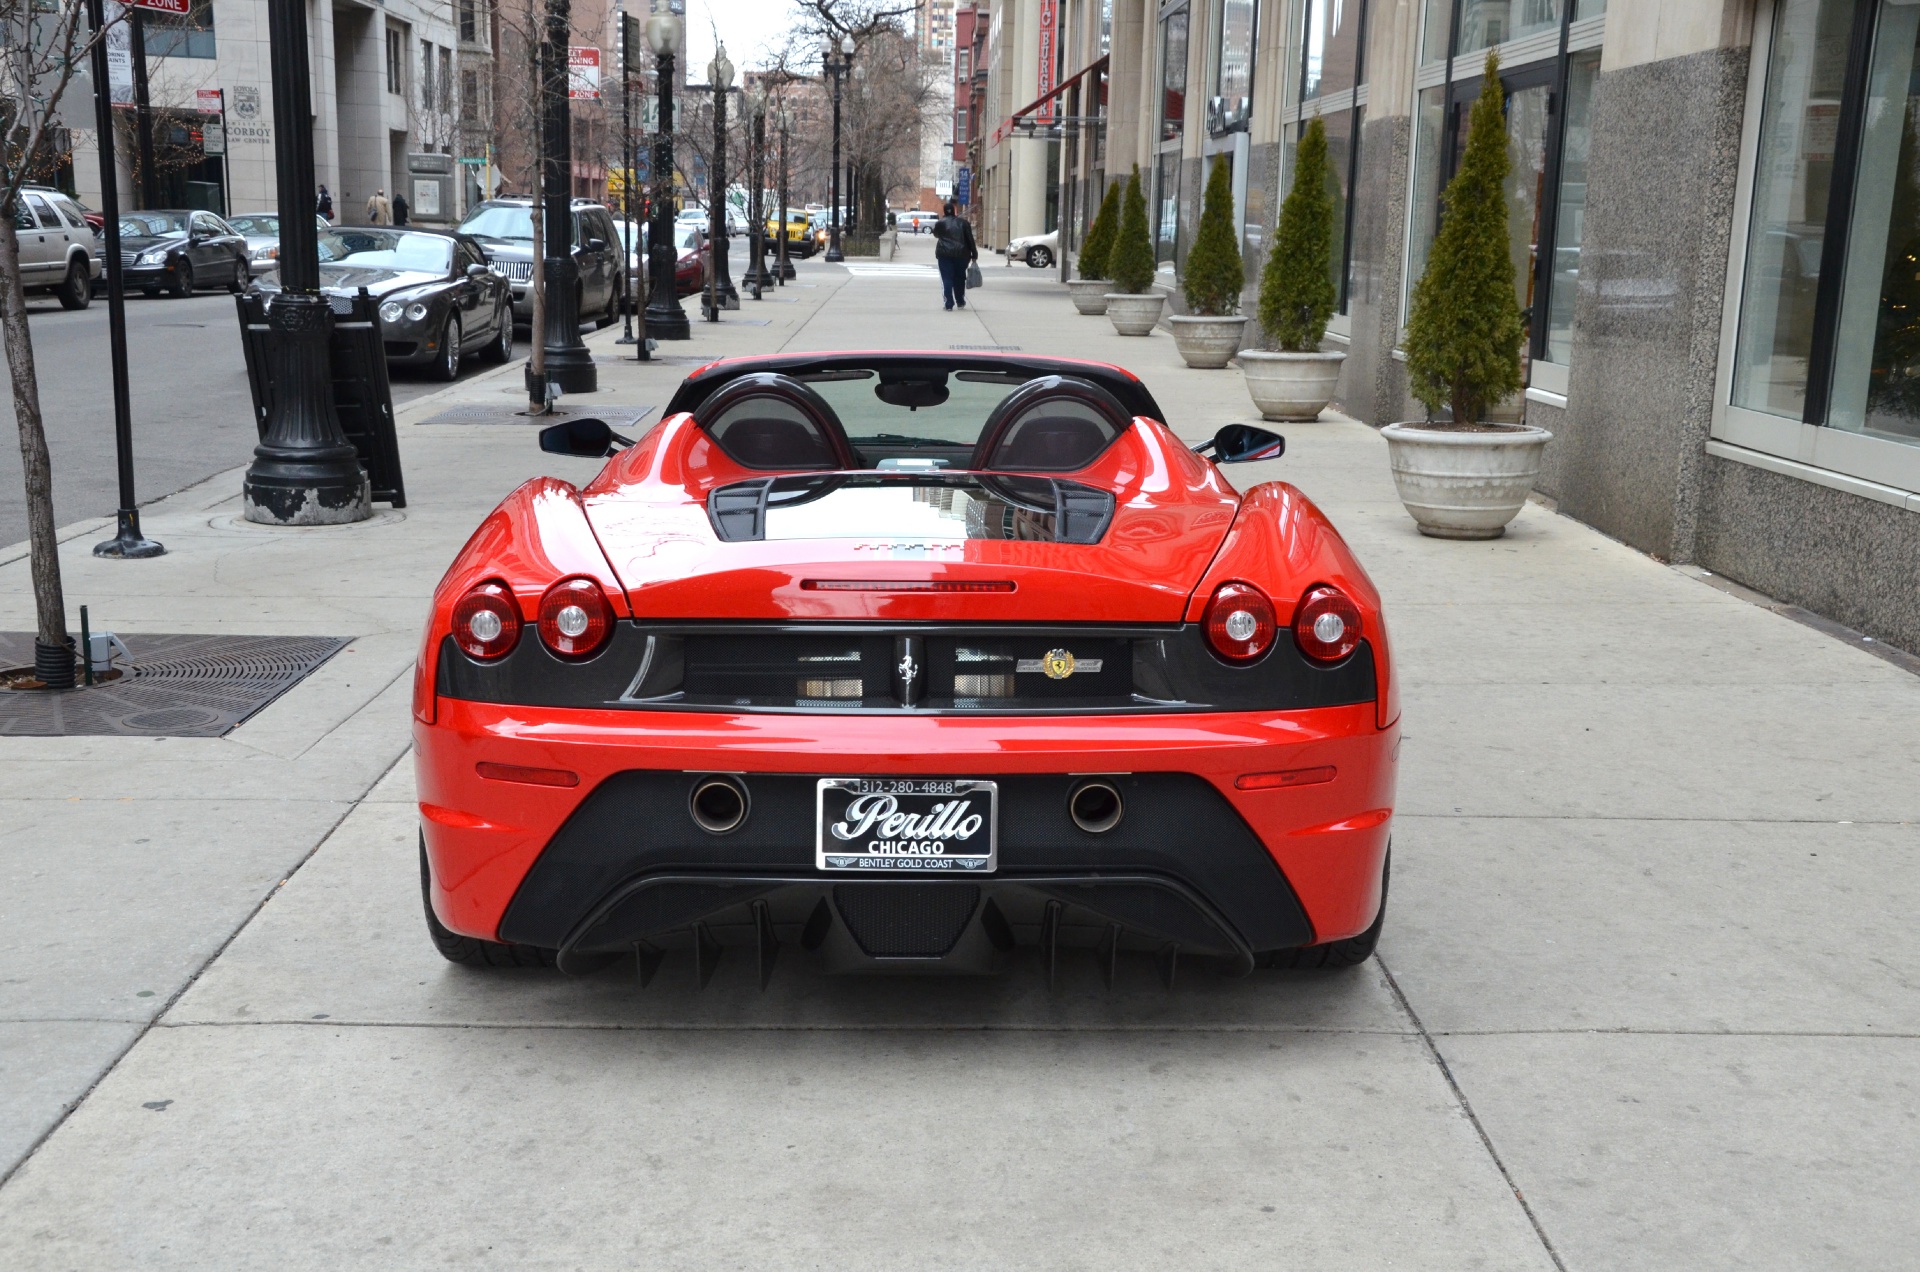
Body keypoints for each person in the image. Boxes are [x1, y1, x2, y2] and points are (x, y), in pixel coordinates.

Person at [931, 201, 977, 311]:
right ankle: (960, 301)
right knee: (960, 278)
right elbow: (970, 239)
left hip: (944, 254)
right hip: (962, 254)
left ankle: (948, 303)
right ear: (954, 211)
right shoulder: (963, 223)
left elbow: (936, 234)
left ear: (944, 211)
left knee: (947, 278)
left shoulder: (940, 223)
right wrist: (974, 253)